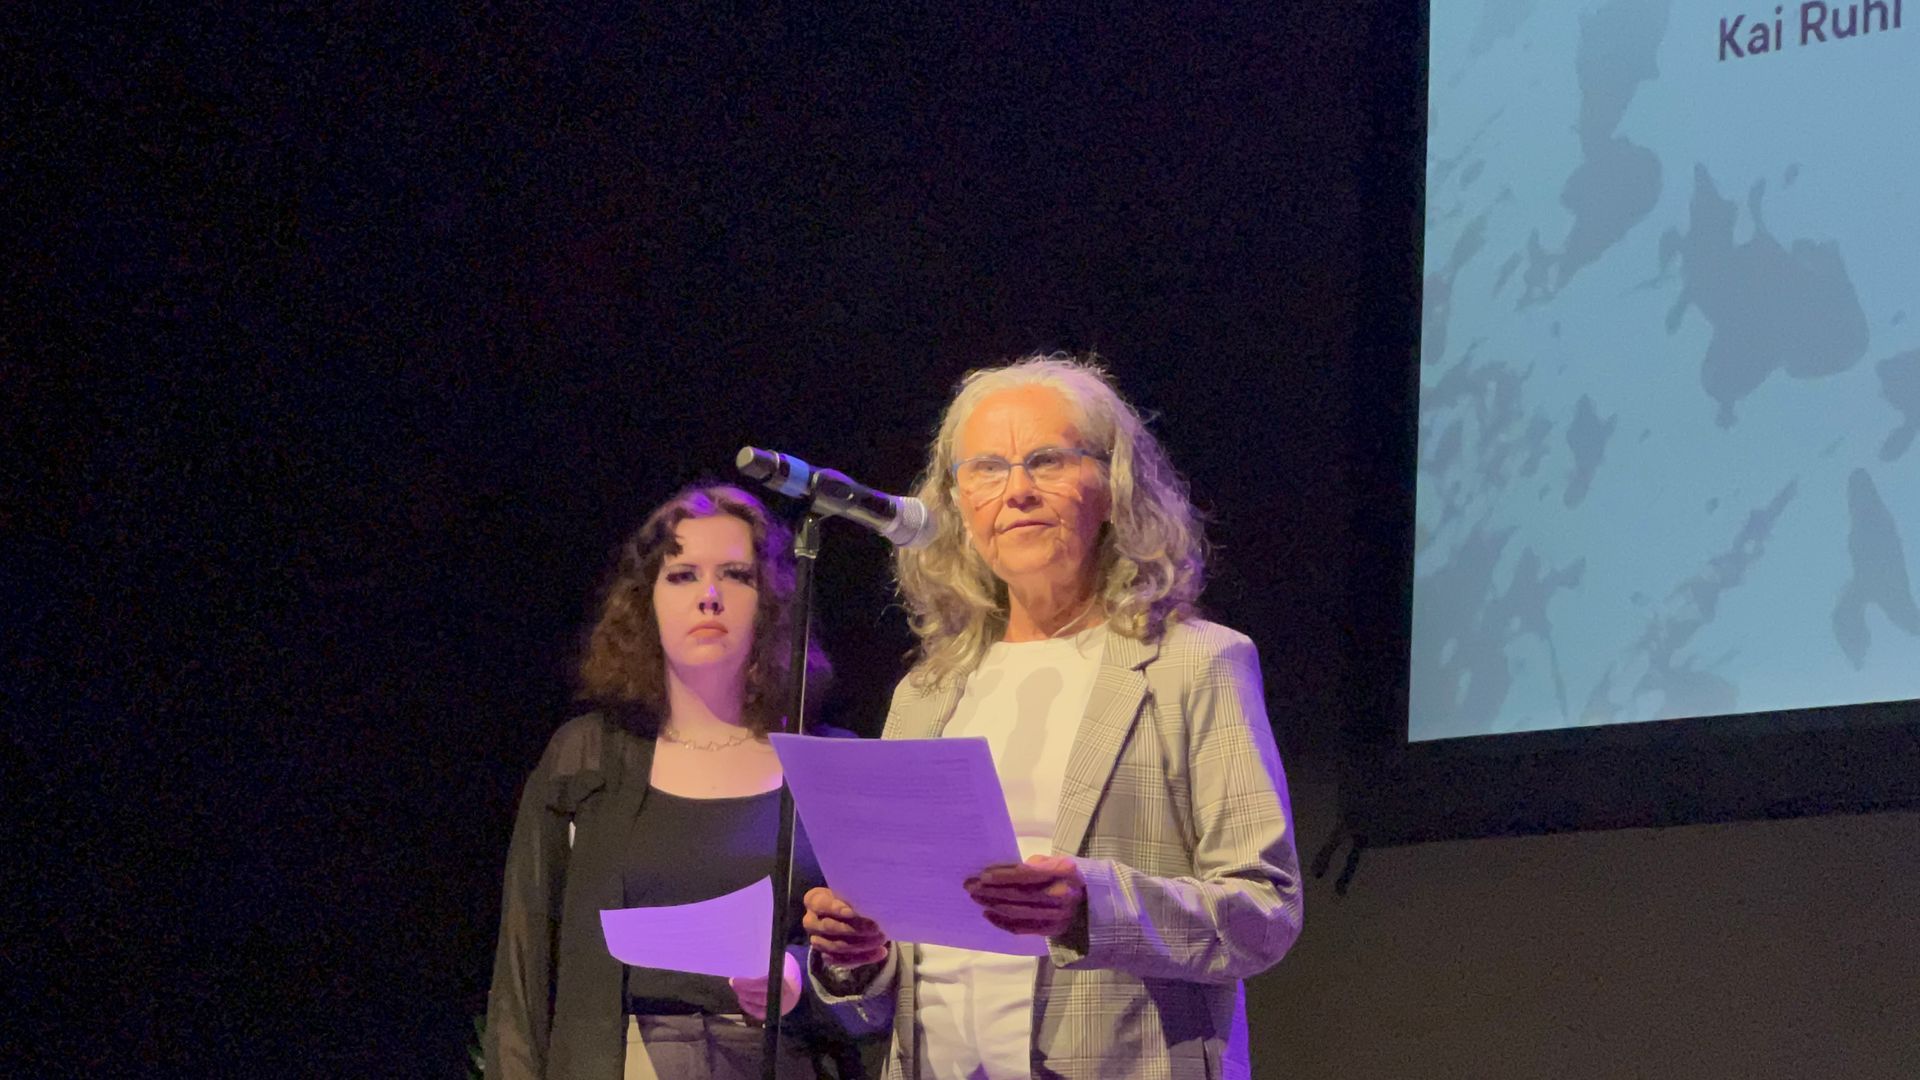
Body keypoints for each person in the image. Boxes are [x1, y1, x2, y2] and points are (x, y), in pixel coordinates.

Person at [801, 354, 1302, 1080]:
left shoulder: (1195, 663)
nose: (1018, 492)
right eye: (987, 469)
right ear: (957, 507)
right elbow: (877, 1001)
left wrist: (1087, 905)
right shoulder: (926, 691)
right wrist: (859, 959)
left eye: (1046, 460)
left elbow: (1265, 914)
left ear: (1114, 487)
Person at [485, 484, 866, 1080]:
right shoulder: (587, 757)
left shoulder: (834, 765)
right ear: (647, 602)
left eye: (736, 575)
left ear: (771, 601)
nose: (709, 597)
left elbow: (885, 973)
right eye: (683, 574)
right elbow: (522, 967)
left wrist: (799, 977)